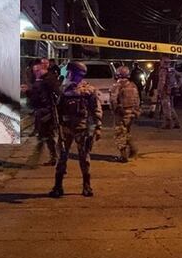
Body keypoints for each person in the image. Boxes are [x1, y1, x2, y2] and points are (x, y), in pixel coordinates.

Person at [50, 61, 102, 198]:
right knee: (62, 156)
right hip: (65, 128)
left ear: (75, 73)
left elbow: (96, 109)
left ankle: (87, 186)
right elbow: (57, 108)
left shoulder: (88, 90)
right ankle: (58, 186)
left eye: (69, 71)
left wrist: (98, 127)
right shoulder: (63, 89)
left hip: (81, 128)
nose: (67, 74)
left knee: (84, 157)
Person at [27, 58, 61, 166]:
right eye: (34, 71)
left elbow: (56, 94)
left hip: (47, 112)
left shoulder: (49, 79)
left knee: (48, 135)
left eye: (37, 71)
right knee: (44, 135)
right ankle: (52, 157)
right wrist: (28, 92)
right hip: (40, 111)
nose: (35, 73)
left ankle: (55, 157)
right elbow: (36, 96)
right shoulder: (39, 80)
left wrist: (53, 110)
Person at [110, 65, 141, 162]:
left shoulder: (116, 86)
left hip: (122, 113)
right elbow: (137, 100)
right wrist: (136, 111)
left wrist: (114, 110)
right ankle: (133, 150)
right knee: (127, 132)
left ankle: (124, 156)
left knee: (119, 134)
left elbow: (113, 100)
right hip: (131, 113)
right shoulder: (132, 85)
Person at [157, 57, 181, 129]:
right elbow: (180, 76)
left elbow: (162, 82)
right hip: (172, 90)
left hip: (165, 91)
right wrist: (177, 85)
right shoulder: (172, 69)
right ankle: (176, 122)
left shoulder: (163, 70)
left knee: (166, 108)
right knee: (171, 107)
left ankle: (168, 124)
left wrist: (159, 91)